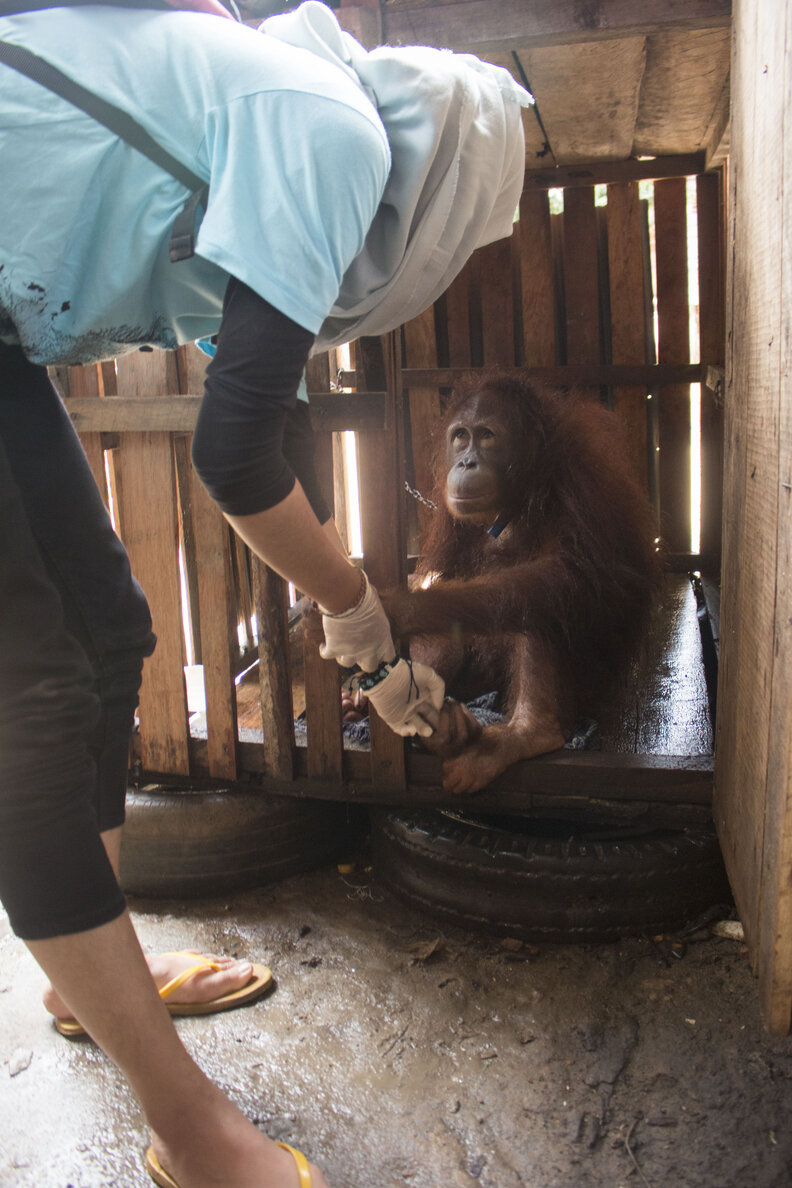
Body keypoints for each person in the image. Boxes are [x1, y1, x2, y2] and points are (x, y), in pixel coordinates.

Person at [0, 3, 531, 1185]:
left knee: (109, 629)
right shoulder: (326, 131)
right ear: (450, 186)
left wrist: (378, 655)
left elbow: (272, 426)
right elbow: (235, 460)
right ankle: (192, 1135)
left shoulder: (281, 128)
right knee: (29, 696)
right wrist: (367, 623)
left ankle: (84, 978)